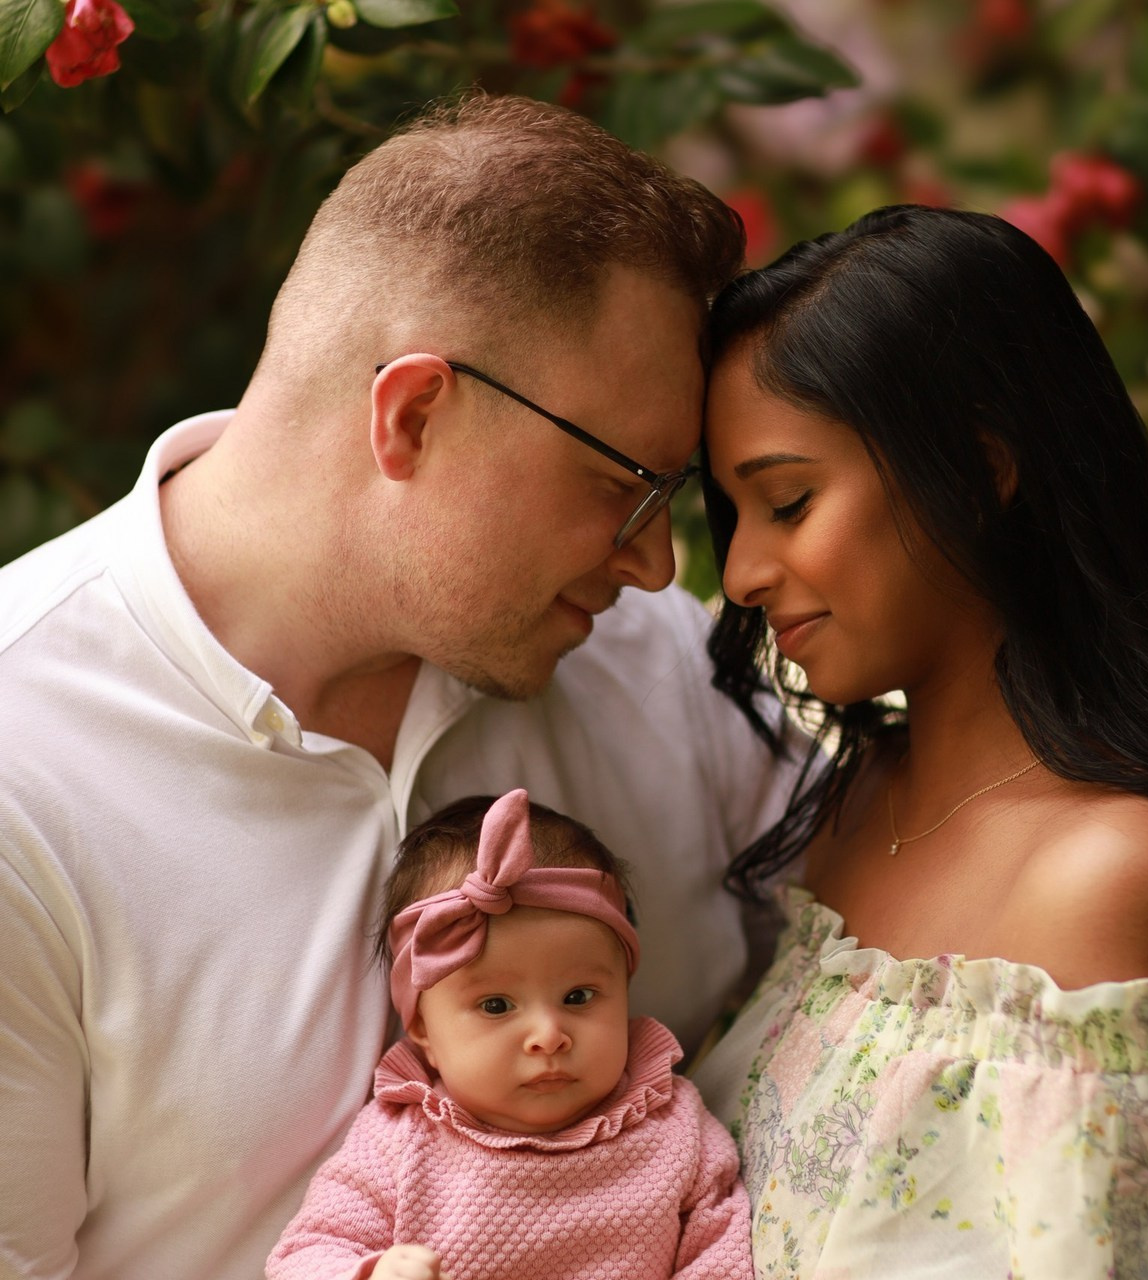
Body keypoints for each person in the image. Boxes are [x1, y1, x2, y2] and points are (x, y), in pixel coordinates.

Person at [0, 95, 799, 1279]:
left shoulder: (649, 657)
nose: (656, 563)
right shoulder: (23, 765)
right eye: (625, 485)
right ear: (414, 412)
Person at [692, 204, 1148, 1278]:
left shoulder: (1120, 881)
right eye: (733, 517)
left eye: (787, 499)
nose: (738, 574)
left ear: (976, 469)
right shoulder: (858, 801)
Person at [267, 788, 753, 1280]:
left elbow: (722, 1249)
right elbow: (308, 1251)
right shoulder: (397, 1144)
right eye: (496, 1006)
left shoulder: (674, 1128)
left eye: (579, 997)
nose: (548, 1035)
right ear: (422, 1029)